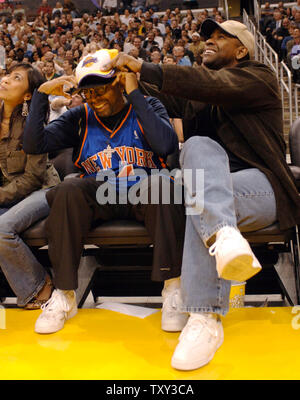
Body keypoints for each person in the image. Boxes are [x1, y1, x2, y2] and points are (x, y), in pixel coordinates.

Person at [104, 19, 300, 371]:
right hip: (213, 199)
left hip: (263, 189)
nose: (207, 42)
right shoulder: (199, 93)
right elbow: (164, 94)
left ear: (241, 50)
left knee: (198, 190)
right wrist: (126, 83)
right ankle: (222, 237)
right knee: (197, 162)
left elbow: (210, 84)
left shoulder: (259, 77)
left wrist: (144, 65)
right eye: (206, 38)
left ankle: (204, 317)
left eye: (219, 38)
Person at [23, 49, 186, 335]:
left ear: (119, 83)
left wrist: (135, 95)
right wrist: (40, 95)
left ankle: (173, 289)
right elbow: (34, 144)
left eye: (100, 90)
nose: (94, 99)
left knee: (163, 185)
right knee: (68, 187)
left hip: (144, 192)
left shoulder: (147, 105)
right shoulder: (79, 117)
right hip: (99, 195)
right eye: (88, 94)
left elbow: (166, 146)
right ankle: (64, 295)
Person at [0, 63, 60, 309]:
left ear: (27, 95)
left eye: (15, 78)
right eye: (7, 75)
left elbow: (32, 179)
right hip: (9, 194)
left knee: (2, 228)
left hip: (43, 191)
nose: (5, 80)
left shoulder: (31, 125)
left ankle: (40, 284)